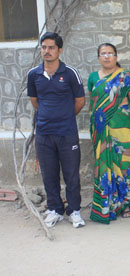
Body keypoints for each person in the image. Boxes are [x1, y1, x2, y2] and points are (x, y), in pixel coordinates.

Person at [27, 32, 86, 228]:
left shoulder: (70, 73)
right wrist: (48, 116)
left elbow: (80, 101)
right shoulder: (33, 75)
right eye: (44, 47)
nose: (47, 51)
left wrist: (65, 117)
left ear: (59, 50)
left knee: (71, 174)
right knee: (49, 174)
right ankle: (55, 210)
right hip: (44, 134)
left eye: (51, 47)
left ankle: (74, 211)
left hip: (67, 133)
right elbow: (35, 102)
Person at [87, 43, 130, 224]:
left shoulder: (125, 77)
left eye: (110, 53)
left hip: (121, 128)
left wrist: (117, 113)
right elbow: (93, 102)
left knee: (123, 164)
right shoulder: (93, 77)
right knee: (102, 165)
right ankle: (105, 205)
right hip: (100, 130)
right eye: (103, 54)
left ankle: (125, 205)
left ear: (116, 56)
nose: (107, 57)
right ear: (98, 57)